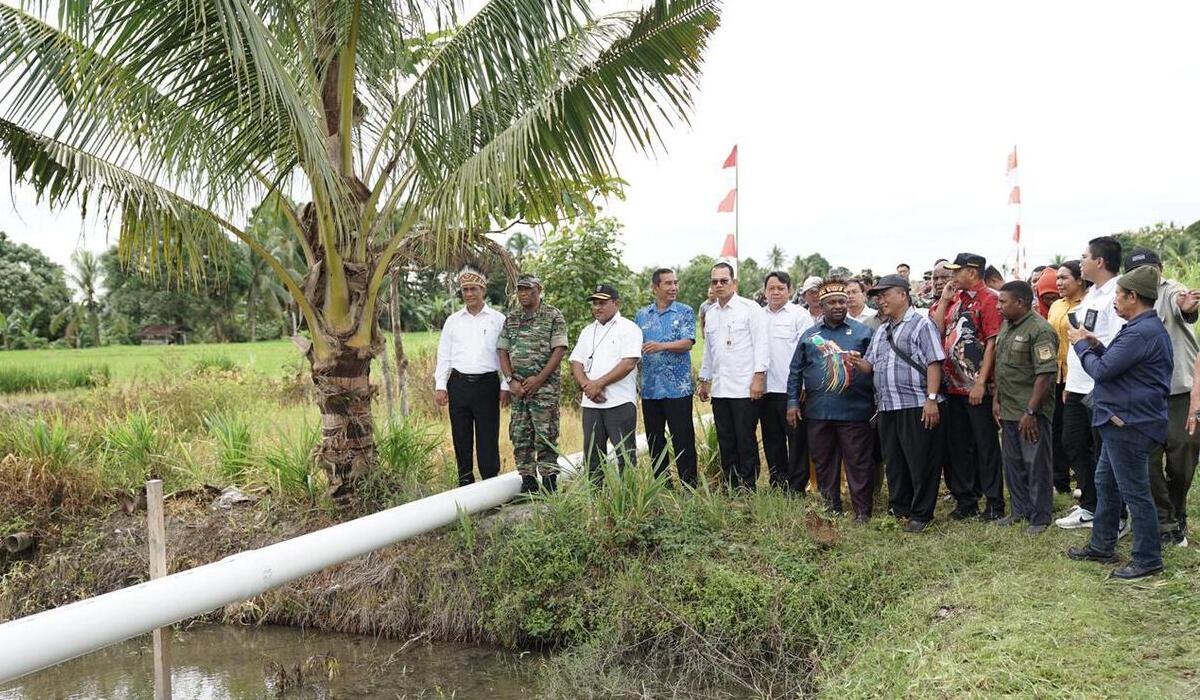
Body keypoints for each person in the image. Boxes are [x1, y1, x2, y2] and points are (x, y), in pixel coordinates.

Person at [1066, 264, 1171, 580]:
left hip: (1129, 423)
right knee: (1106, 483)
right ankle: (1102, 545)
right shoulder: (1141, 329)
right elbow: (1117, 361)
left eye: (1119, 296)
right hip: (1122, 422)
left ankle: (1148, 558)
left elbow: (1102, 371)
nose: (1114, 301)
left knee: (1135, 492)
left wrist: (1081, 345)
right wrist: (1096, 344)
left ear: (1133, 297)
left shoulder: (1141, 332)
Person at [849, 274, 945, 533]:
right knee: (895, 461)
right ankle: (899, 508)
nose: (880, 301)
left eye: (885, 295)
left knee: (921, 461)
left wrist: (932, 399)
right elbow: (870, 366)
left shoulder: (921, 324)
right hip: (887, 406)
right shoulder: (881, 330)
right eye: (878, 297)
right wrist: (856, 361)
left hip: (916, 404)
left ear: (903, 294)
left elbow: (935, 362)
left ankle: (921, 513)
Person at [1125, 247, 1200, 547]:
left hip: (1181, 392)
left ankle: (1176, 511)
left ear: (1161, 269)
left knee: (1182, 459)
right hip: (1146, 395)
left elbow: (1184, 305)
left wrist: (1188, 306)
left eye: (1152, 269)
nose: (1147, 276)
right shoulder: (1126, 297)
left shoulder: (1170, 291)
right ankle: (1165, 522)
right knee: (1148, 462)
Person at [788, 280, 875, 520]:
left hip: (855, 411)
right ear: (821, 305)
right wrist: (793, 403)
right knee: (824, 462)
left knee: (858, 462)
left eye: (841, 301)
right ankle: (831, 506)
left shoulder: (863, 332)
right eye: (831, 303)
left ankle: (862, 511)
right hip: (818, 412)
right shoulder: (810, 336)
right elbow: (795, 371)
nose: (837, 306)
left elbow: (877, 367)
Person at [1057, 237, 1126, 529]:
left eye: (1084, 256)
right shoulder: (1093, 293)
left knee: (1104, 454)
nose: (1080, 261)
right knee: (1073, 444)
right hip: (1077, 384)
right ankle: (1089, 505)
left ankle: (1117, 515)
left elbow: (1119, 343)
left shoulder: (1118, 293)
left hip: (1100, 386)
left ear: (1099, 262)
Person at [933, 252, 1005, 520]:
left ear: (972, 272)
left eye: (956, 271)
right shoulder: (956, 299)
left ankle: (994, 503)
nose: (951, 276)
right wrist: (944, 299)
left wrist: (981, 382)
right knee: (959, 446)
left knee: (985, 446)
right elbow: (936, 329)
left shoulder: (989, 299)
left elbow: (992, 344)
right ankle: (966, 500)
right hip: (952, 387)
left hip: (977, 390)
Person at [993, 281, 1059, 534]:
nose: (999, 307)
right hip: (1008, 407)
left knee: (1036, 464)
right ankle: (1019, 510)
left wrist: (1031, 411)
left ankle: (1040, 516)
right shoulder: (1007, 325)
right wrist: (997, 400)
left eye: (1003, 302)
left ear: (1020, 302)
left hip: (1030, 411)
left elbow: (1045, 374)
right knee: (1012, 462)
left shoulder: (1040, 330)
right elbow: (1002, 365)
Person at [434, 268, 509, 486]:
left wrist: (506, 384)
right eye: (465, 290)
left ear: (483, 290)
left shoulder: (498, 320)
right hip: (458, 385)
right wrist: (441, 385)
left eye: (473, 289)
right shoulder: (453, 321)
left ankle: (490, 487)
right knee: (461, 437)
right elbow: (444, 354)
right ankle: (465, 486)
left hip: (487, 384)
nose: (469, 294)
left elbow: (506, 355)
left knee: (487, 438)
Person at [698, 262, 769, 490]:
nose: (718, 285)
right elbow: (709, 351)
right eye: (714, 281)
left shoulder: (750, 309)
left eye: (723, 281)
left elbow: (761, 345)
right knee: (725, 439)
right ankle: (731, 483)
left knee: (744, 438)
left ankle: (748, 487)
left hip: (744, 387)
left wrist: (759, 378)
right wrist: (704, 380)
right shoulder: (710, 313)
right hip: (720, 388)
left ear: (734, 283)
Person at [497, 275, 569, 494]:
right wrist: (510, 380)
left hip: (544, 388)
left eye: (528, 289)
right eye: (520, 290)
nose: (523, 294)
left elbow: (559, 350)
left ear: (539, 289)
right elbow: (502, 349)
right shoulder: (512, 318)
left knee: (545, 434)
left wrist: (539, 379)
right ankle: (527, 481)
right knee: (520, 434)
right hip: (519, 388)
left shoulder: (553, 316)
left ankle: (548, 482)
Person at [570, 284, 642, 484]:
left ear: (616, 303)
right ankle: (597, 503)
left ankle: (629, 503)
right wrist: (588, 386)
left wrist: (599, 384)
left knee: (625, 456)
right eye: (595, 303)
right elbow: (576, 361)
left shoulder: (629, 328)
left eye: (603, 303)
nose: (597, 307)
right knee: (592, 455)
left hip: (619, 403)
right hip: (591, 403)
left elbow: (628, 363)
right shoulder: (587, 331)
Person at [635, 268, 698, 487]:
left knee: (683, 437)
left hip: (677, 389)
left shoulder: (685, 312)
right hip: (650, 388)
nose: (673, 287)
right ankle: (663, 485)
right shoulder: (642, 315)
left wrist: (662, 346)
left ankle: (689, 485)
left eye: (675, 283)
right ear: (655, 287)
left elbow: (688, 342)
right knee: (654, 439)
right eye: (668, 283)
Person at [759, 271, 813, 491]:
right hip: (765, 390)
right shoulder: (758, 316)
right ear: (764, 292)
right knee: (772, 440)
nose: (775, 292)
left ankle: (797, 486)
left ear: (789, 291)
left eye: (780, 288)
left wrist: (803, 385)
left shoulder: (800, 315)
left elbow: (809, 353)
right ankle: (777, 482)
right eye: (771, 288)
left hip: (792, 391)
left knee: (797, 440)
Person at [1047, 261, 1090, 495]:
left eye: (1064, 278)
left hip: (1080, 377)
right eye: (1057, 278)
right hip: (1056, 376)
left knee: (1080, 435)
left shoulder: (1088, 304)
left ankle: (1084, 484)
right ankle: (1059, 480)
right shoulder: (1055, 306)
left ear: (1079, 279)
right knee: (1057, 429)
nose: (1059, 283)